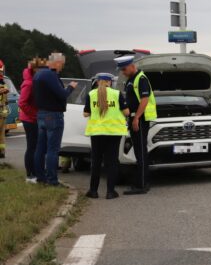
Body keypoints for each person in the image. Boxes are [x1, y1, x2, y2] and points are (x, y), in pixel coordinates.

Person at [33, 53, 77, 186]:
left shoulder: (39, 74)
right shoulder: (50, 75)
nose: (61, 68)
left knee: (40, 148)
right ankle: (52, 180)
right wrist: (71, 87)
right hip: (53, 115)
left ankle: (40, 177)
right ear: (57, 62)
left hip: (41, 114)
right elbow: (62, 94)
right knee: (53, 149)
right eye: (62, 65)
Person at [84, 73, 129, 200]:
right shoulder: (116, 94)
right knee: (112, 162)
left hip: (97, 132)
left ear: (98, 82)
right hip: (114, 133)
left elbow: (85, 114)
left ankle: (93, 191)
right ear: (110, 82)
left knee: (96, 162)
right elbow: (126, 112)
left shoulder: (91, 94)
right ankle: (110, 192)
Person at [116, 55, 156, 195]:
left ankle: (142, 184)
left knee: (141, 151)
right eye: (121, 70)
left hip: (140, 119)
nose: (123, 72)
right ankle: (141, 181)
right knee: (139, 151)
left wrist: (136, 118)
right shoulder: (131, 79)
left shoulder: (141, 79)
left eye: (124, 69)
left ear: (132, 66)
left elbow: (144, 100)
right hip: (135, 118)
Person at [18, 58, 46, 181]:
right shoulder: (29, 83)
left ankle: (36, 172)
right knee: (32, 146)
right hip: (30, 120)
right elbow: (22, 103)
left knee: (36, 146)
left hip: (34, 118)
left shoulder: (35, 80)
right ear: (36, 69)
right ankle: (30, 174)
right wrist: (35, 115)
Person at [0, 60, 8, 159]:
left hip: (2, 112)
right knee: (1, 134)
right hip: (3, 113)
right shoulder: (4, 84)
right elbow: (6, 100)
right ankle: (2, 152)